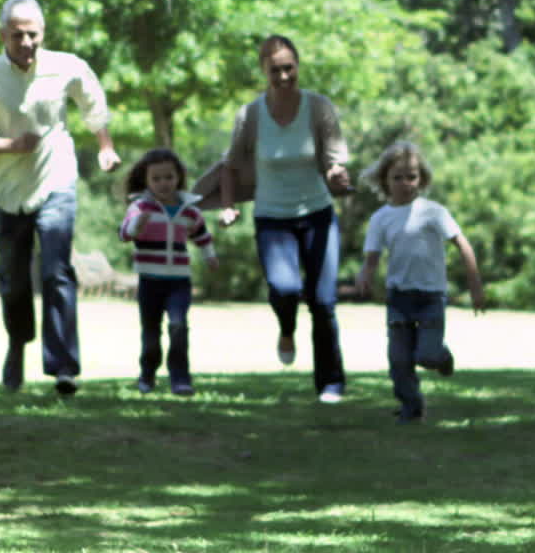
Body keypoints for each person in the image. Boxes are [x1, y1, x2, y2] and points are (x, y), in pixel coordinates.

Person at [0, 0, 120, 397]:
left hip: (56, 179)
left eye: (32, 35)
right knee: (14, 281)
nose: (26, 43)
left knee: (56, 269)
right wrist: (10, 145)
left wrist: (104, 145)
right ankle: (17, 345)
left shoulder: (66, 66)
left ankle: (64, 367)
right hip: (7, 189)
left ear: (43, 33)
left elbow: (92, 102)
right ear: (2, 36)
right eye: (17, 36)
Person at [193, 35, 352, 403]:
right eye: (275, 70)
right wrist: (230, 206)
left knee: (324, 301)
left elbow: (332, 161)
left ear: (298, 67)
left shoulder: (319, 108)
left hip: (317, 214)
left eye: (289, 68)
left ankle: (331, 383)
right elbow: (230, 167)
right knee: (284, 288)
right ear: (264, 71)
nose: (283, 76)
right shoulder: (250, 115)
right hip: (272, 218)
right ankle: (286, 328)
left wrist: (337, 177)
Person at [354, 141, 486, 423]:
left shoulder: (433, 212)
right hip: (398, 298)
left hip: (431, 297)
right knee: (399, 363)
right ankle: (412, 409)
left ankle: (441, 356)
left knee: (426, 355)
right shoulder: (380, 219)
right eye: (397, 177)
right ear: (385, 180)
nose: (405, 183)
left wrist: (475, 285)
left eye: (412, 176)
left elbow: (462, 244)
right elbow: (373, 257)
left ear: (422, 179)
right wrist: (365, 274)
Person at [119, 148, 219, 396]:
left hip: (178, 281)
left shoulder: (189, 210)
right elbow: (124, 233)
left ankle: (180, 379)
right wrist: (136, 226)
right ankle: (147, 375)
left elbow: (202, 236)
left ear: (178, 178)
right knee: (151, 331)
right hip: (149, 280)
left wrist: (210, 256)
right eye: (156, 179)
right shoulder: (140, 207)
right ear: (146, 180)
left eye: (169, 177)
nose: (163, 183)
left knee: (178, 326)